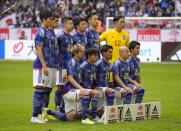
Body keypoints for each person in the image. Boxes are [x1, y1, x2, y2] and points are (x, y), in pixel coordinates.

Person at [31, 11, 59, 123]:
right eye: (49, 19)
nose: (51, 21)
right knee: (39, 90)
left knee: (47, 91)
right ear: (44, 19)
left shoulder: (48, 32)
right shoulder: (40, 32)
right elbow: (39, 50)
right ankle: (34, 116)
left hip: (51, 65)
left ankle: (43, 114)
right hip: (42, 66)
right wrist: (44, 65)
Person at [55, 17, 74, 112]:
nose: (72, 25)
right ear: (65, 24)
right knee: (60, 87)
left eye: (72, 23)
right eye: (70, 23)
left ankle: (63, 107)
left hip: (69, 66)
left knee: (67, 87)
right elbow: (54, 50)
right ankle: (57, 107)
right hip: (61, 66)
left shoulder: (71, 37)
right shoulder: (59, 36)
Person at [95, 45, 115, 116]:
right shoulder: (98, 64)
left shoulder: (109, 64)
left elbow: (109, 78)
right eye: (109, 52)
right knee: (102, 113)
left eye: (112, 52)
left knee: (104, 112)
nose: (111, 54)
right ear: (103, 53)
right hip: (98, 89)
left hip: (106, 89)